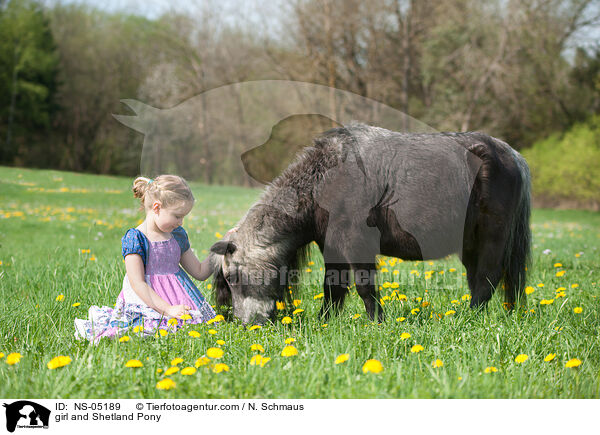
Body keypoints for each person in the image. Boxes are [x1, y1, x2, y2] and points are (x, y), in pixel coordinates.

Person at [75, 175, 233, 343]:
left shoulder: (178, 235)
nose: (181, 222)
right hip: (150, 301)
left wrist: (223, 245)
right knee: (150, 330)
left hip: (179, 297)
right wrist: (167, 309)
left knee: (193, 331)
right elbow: (138, 284)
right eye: (177, 216)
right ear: (157, 207)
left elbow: (200, 272)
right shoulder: (136, 239)